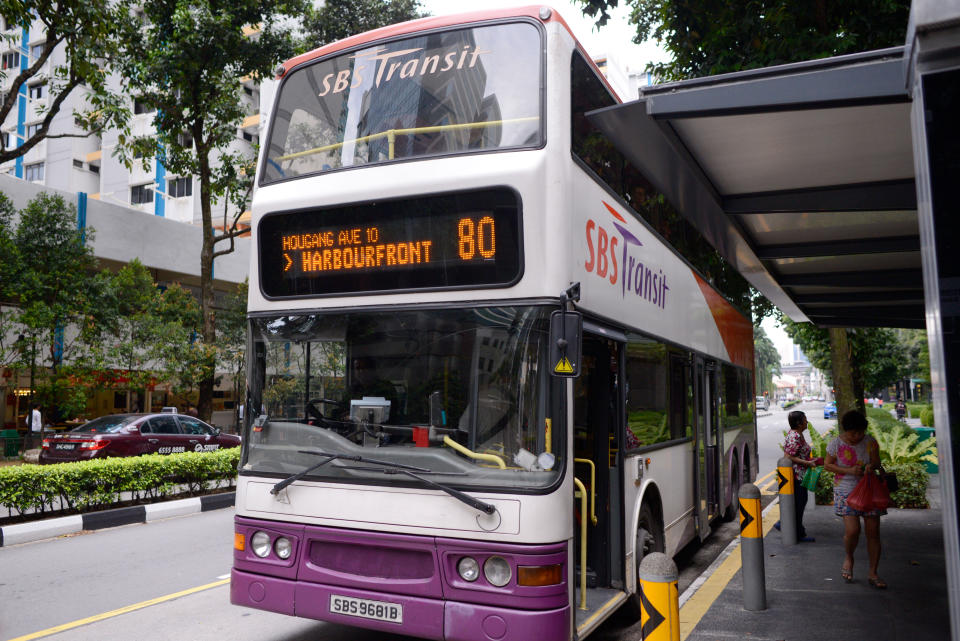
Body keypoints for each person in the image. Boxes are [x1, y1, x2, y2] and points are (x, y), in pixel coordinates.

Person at [824, 410, 887, 589]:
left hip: (869, 490)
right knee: (853, 530)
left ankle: (873, 572)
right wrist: (849, 471)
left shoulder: (870, 442)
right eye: (853, 433)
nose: (857, 436)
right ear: (846, 430)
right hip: (845, 491)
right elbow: (827, 465)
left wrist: (870, 466)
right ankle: (849, 557)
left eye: (860, 432)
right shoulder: (835, 444)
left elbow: (877, 462)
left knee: (873, 532)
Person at [775, 410, 821, 541]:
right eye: (805, 419)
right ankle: (793, 531)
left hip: (801, 475)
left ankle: (794, 529)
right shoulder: (794, 436)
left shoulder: (798, 435)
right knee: (799, 502)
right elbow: (788, 456)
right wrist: (806, 462)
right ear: (799, 423)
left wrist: (810, 461)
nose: (807, 422)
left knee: (800, 502)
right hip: (796, 476)